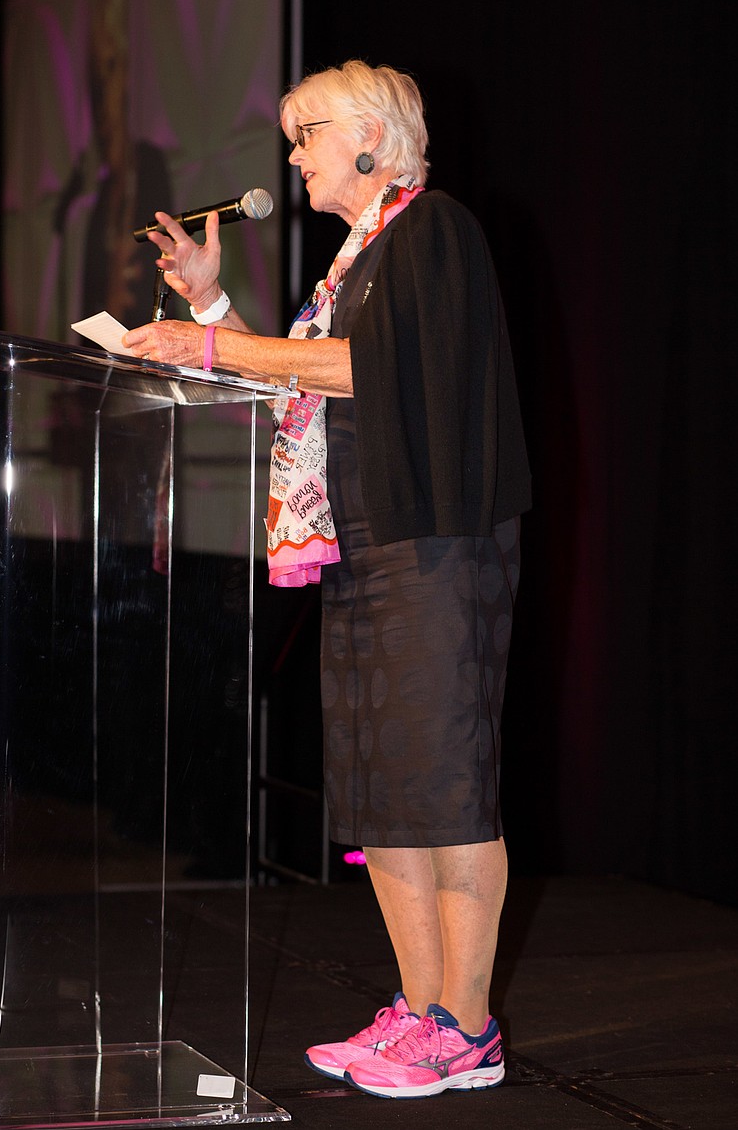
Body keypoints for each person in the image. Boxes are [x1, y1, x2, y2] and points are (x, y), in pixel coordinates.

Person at [122, 60, 531, 1099]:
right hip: (361, 543)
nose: (294, 155)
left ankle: (467, 1026)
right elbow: (301, 385)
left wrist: (213, 342)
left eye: (307, 134)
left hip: (435, 541)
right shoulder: (351, 263)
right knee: (383, 790)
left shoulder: (430, 230)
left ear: (370, 139)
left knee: (444, 785)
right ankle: (421, 1012)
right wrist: (210, 304)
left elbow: (366, 369)